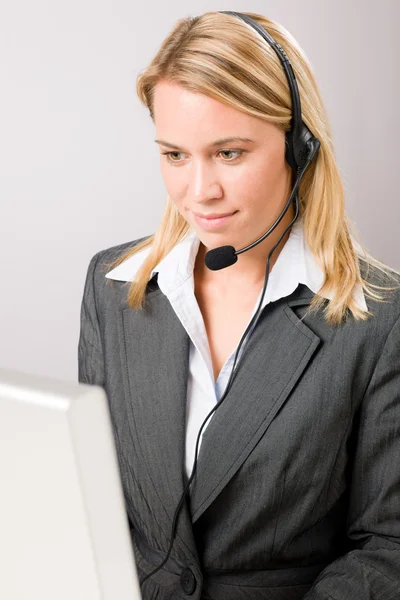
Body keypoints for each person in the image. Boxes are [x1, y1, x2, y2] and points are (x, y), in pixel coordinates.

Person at [78, 10, 400, 600]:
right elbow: (95, 502)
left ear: (298, 148)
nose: (199, 192)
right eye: (175, 155)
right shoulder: (112, 286)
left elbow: (390, 546)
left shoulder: (380, 320)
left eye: (228, 153)